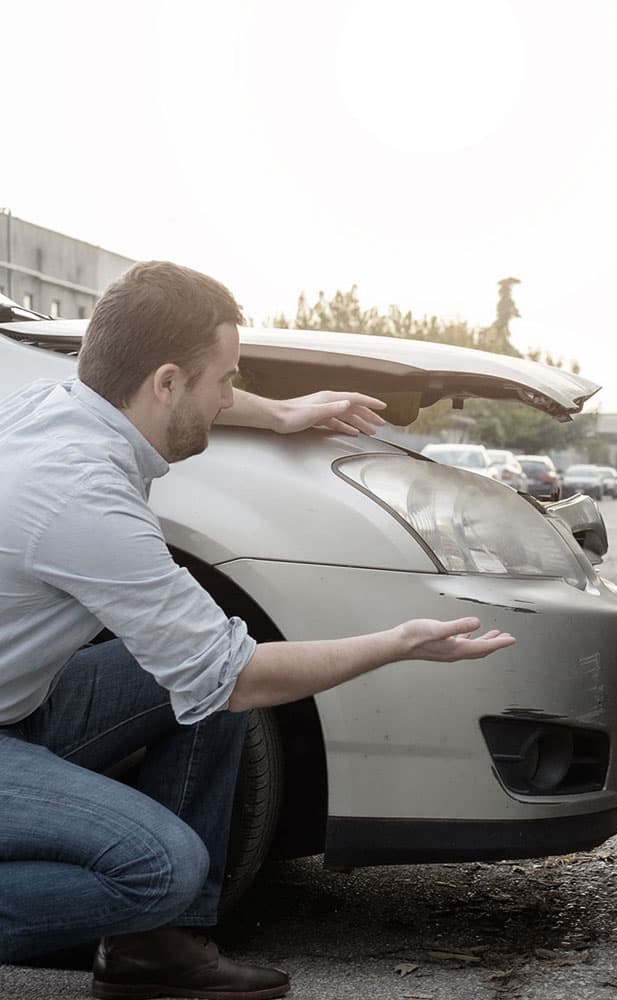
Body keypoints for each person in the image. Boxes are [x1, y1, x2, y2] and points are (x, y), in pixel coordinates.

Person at [0, 261, 517, 999]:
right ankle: (157, 910)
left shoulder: (56, 406)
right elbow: (237, 677)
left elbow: (211, 670)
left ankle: (152, 950)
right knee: (161, 866)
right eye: (225, 381)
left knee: (199, 658)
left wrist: (279, 414)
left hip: (20, 711)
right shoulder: (81, 494)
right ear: (167, 383)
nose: (228, 397)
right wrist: (399, 644)